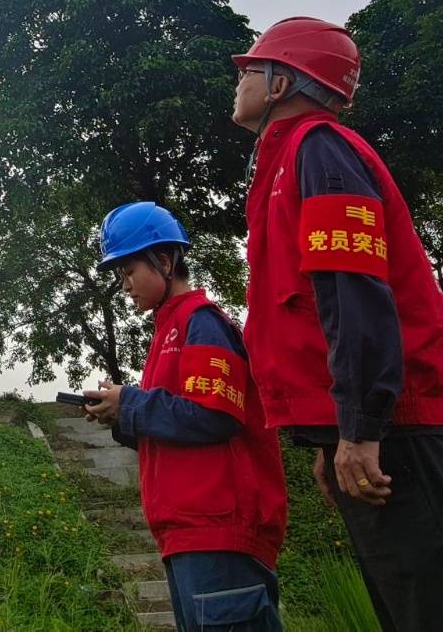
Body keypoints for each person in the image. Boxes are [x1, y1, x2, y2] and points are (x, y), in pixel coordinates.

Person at [232, 16, 443, 631]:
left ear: (280, 83)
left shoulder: (320, 149)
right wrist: (328, 437)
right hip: (374, 431)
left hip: (403, 435)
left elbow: (353, 293)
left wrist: (361, 427)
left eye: (249, 70)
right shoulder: (289, 163)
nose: (238, 81)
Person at [82, 201, 288, 632]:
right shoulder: (166, 330)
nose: (125, 286)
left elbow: (215, 417)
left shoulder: (202, 323)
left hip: (218, 531)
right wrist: (121, 417)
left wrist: (132, 403)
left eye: (128, 270)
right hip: (187, 533)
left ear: (163, 259)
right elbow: (180, 424)